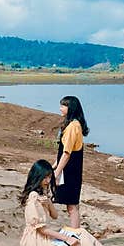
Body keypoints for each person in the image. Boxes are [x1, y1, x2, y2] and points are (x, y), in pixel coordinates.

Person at [19, 160, 124, 246]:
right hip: (37, 244)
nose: (47, 180)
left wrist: (48, 203)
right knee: (83, 243)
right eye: (45, 177)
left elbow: (55, 216)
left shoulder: (41, 194)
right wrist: (66, 238)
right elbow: (41, 229)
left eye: (49, 177)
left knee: (82, 232)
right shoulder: (33, 197)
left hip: (43, 238)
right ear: (37, 177)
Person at [52, 95, 89, 229]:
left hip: (70, 170)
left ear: (70, 108)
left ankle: (76, 233)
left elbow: (67, 154)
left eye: (63, 106)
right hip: (71, 169)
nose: (60, 108)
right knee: (72, 205)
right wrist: (53, 166)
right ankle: (76, 232)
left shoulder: (73, 126)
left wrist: (57, 172)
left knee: (72, 205)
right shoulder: (73, 124)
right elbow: (63, 152)